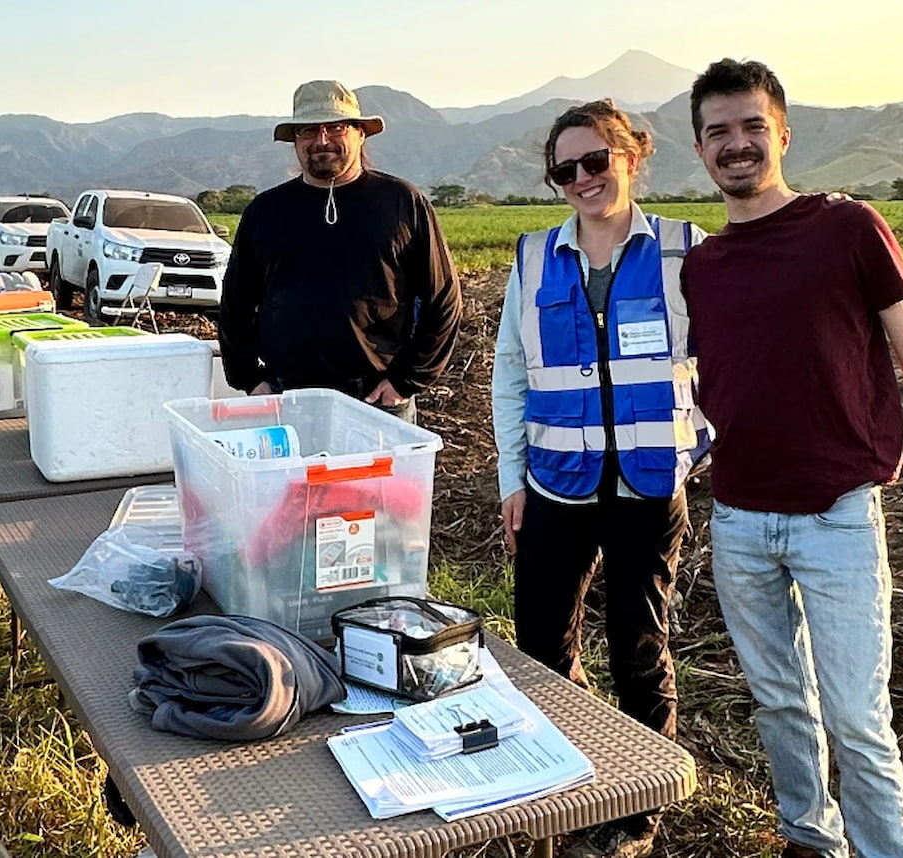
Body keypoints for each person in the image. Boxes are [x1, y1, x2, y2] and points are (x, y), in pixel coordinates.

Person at [683, 59, 903, 858]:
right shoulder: (704, 266)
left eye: (752, 126)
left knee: (859, 718)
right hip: (738, 519)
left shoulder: (847, 227)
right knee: (778, 702)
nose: (737, 145)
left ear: (783, 133)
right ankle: (808, 835)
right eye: (719, 132)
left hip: (835, 518)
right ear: (700, 150)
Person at [492, 100, 710, 858]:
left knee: (638, 644)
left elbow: (730, 361)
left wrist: (697, 444)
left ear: (634, 155)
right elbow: (511, 377)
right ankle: (570, 781)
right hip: (556, 483)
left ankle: (638, 813)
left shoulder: (687, 251)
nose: (583, 179)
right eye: (566, 169)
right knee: (542, 645)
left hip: (650, 488)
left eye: (597, 161)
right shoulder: (531, 257)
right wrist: (509, 479)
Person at [218, 80, 461, 423]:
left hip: (377, 401)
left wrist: (405, 381)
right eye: (308, 130)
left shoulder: (402, 203)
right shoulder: (265, 211)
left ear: (360, 134)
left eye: (335, 127)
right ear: (294, 140)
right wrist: (249, 378)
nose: (321, 141)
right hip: (286, 401)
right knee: (290, 481)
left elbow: (444, 298)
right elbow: (235, 305)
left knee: (375, 481)